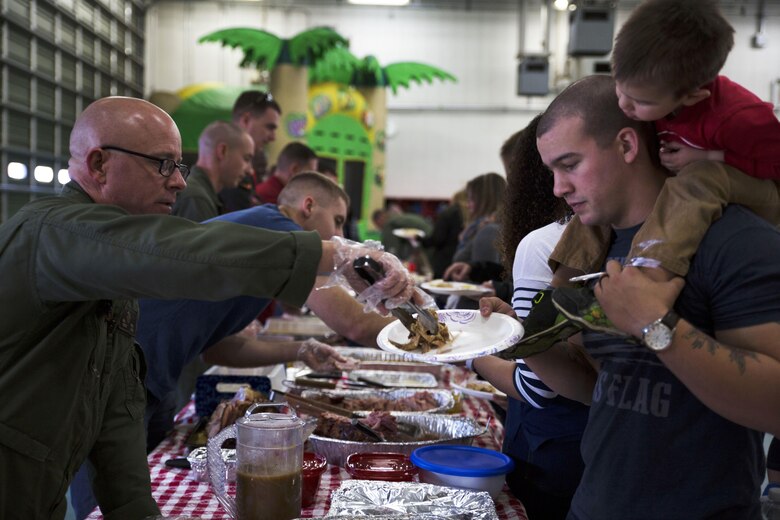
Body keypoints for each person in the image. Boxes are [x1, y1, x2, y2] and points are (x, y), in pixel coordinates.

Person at [0, 96, 414, 519]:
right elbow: (175, 250)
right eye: (162, 164)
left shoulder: (114, 281)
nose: (179, 182)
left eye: (179, 167)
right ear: (99, 163)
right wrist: (335, 256)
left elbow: (117, 424)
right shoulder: (49, 232)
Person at [494, 75, 780, 518]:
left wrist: (655, 325)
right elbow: (599, 388)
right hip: (593, 504)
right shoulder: (590, 246)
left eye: (570, 164)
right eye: (552, 170)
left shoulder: (734, 239)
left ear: (627, 145)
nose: (557, 188)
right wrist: (515, 340)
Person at [140, 172, 395, 451]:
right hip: (133, 368)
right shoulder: (281, 231)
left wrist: (301, 350)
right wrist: (437, 340)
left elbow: (219, 349)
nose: (341, 236)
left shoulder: (267, 234)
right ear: (308, 206)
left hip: (153, 376)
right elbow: (355, 324)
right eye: (337, 221)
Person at [546, 0, 780, 304]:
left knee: (699, 177)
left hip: (761, 189)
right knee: (604, 194)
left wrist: (709, 157)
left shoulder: (740, 117)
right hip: (693, 170)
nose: (624, 106)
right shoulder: (653, 90)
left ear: (694, 95)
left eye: (639, 102)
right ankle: (559, 290)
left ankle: (650, 272)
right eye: (620, 89)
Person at [468, 116, 588, 520]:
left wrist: (466, 353)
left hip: (550, 450)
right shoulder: (600, 237)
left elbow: (535, 388)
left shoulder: (542, 244)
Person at [442, 172, 507, 309]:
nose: (467, 204)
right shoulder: (481, 229)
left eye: (471, 199)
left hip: (473, 308)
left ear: (484, 200)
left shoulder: (488, 231)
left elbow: (483, 285)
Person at [170, 121, 254, 221]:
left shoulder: (201, 194)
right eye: (246, 159)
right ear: (222, 151)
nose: (250, 170)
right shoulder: (196, 199)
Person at [219, 90, 282, 212]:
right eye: (270, 127)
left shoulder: (242, 165)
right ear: (246, 120)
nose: (273, 137)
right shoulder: (230, 167)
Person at [420, 189, 466, 280]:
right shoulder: (468, 216)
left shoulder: (447, 213)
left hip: (444, 260)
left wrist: (421, 240)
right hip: (462, 261)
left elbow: (437, 238)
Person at [255, 141, 319, 205]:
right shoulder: (276, 200)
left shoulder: (265, 191)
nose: (313, 180)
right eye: (310, 173)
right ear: (295, 169)